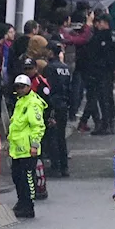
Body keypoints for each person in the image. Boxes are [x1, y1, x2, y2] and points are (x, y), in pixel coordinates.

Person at [8, 74, 47, 218]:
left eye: (22, 87)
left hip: (28, 148)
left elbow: (38, 126)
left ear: (29, 87)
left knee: (27, 178)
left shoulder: (33, 103)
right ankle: (21, 201)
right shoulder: (20, 101)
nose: (19, 89)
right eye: (17, 87)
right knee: (17, 177)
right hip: (17, 148)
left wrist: (34, 145)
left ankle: (28, 205)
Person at [42, 43, 73, 176]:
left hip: (53, 104)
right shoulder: (65, 68)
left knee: (52, 136)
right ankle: (64, 166)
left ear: (50, 52)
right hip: (64, 104)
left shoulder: (49, 68)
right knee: (61, 136)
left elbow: (48, 88)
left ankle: (55, 166)